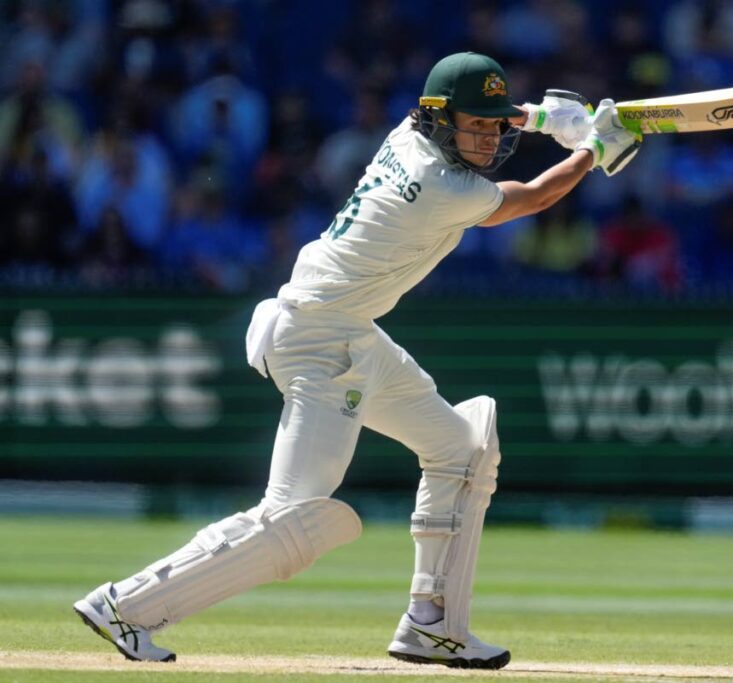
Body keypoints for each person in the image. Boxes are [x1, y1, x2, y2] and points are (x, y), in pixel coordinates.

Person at [72, 51, 640, 670]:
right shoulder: (442, 187)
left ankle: (433, 624)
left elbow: (489, 120)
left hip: (347, 334)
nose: (487, 136)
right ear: (441, 121)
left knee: (461, 449)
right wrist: (593, 151)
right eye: (476, 124)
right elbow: (530, 197)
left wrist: (537, 117)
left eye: (493, 124)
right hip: (319, 344)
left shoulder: (408, 131)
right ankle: (125, 604)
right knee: (291, 518)